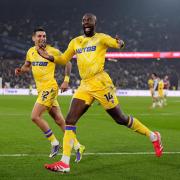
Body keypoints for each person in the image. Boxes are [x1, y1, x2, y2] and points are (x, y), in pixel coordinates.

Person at [37, 14, 163, 173]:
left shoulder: (101, 38)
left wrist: (120, 43)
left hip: (101, 83)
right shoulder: (75, 42)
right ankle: (64, 162)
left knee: (120, 118)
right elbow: (63, 59)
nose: (86, 23)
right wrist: (47, 56)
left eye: (89, 20)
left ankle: (153, 136)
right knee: (70, 120)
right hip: (85, 85)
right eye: (83, 20)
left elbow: (117, 44)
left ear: (95, 23)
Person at [15, 27, 85, 161]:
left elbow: (68, 62)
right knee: (60, 121)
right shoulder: (30, 51)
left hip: (50, 88)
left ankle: (54, 142)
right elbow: (27, 66)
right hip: (41, 90)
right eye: (39, 36)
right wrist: (20, 70)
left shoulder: (52, 51)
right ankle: (78, 146)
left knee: (35, 116)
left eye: (44, 36)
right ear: (33, 38)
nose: (42, 38)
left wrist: (66, 81)